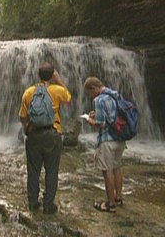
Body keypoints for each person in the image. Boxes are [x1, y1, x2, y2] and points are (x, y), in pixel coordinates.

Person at [18, 62, 71, 214]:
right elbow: (68, 99)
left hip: (34, 135)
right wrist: (58, 79)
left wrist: (27, 129)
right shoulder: (57, 90)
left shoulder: (29, 92)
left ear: (38, 75)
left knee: (33, 171)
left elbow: (22, 116)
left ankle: (33, 202)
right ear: (52, 75)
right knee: (52, 171)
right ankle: (48, 205)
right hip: (53, 134)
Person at [84, 77, 126, 213]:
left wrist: (90, 120)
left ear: (94, 88)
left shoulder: (99, 100)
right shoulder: (114, 95)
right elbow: (112, 115)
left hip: (107, 140)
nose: (91, 96)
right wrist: (96, 114)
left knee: (107, 171)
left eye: (90, 92)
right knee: (117, 167)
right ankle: (118, 198)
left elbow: (100, 123)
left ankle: (110, 204)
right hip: (119, 139)